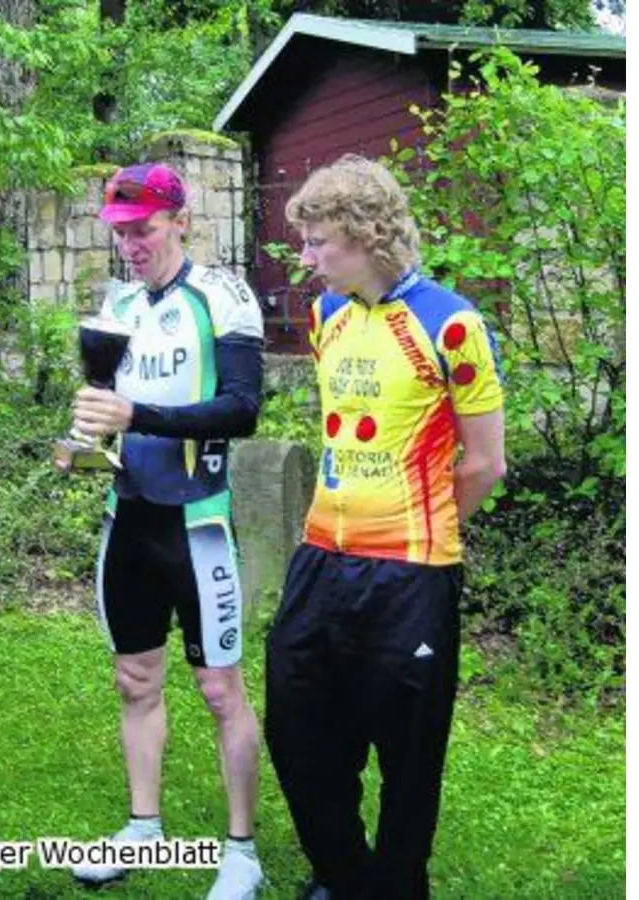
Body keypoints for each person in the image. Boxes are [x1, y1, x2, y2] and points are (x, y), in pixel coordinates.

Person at [266, 154, 508, 900]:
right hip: (320, 559)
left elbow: (485, 462)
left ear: (368, 235)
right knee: (298, 726)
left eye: (317, 243)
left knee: (407, 753)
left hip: (410, 570)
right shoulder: (327, 315)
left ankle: (397, 886)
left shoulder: (451, 323)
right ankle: (341, 874)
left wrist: (423, 534)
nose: (304, 260)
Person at [60, 162, 267, 900]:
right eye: (119, 233)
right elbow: (106, 405)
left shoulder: (222, 295)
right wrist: (80, 441)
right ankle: (143, 827)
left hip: (198, 523)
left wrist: (136, 418)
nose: (130, 246)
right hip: (129, 521)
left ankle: (241, 851)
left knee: (219, 689)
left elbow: (244, 409)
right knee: (133, 678)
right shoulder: (118, 301)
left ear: (181, 219)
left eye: (143, 230)